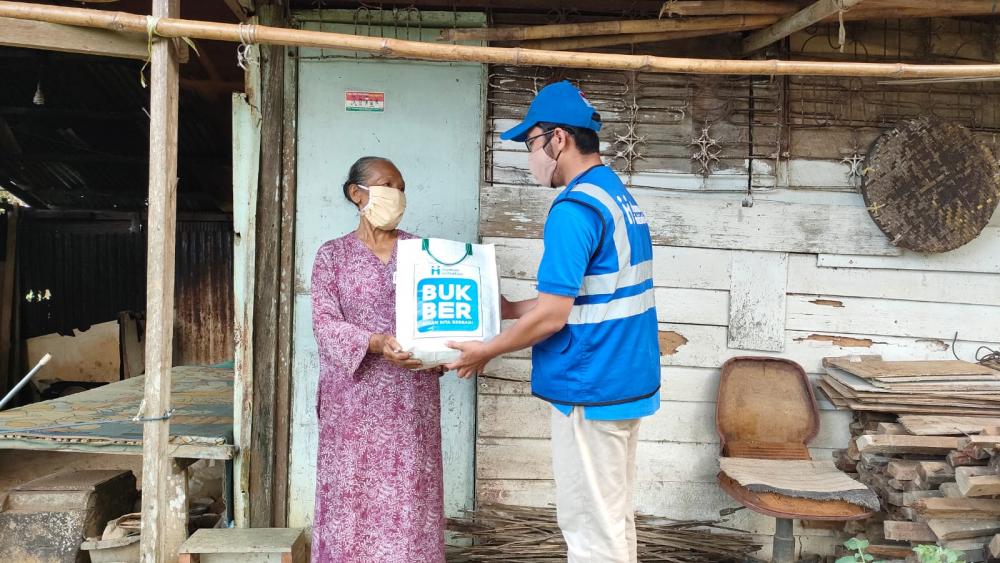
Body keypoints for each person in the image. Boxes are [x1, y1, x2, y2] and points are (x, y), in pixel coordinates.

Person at [447, 81, 660, 563]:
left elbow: (553, 317)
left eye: (530, 143)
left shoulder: (573, 209)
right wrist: (508, 310)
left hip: (590, 385)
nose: (530, 157)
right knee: (613, 520)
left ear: (558, 139)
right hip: (624, 379)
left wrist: (487, 349)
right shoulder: (615, 195)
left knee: (590, 531)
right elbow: (583, 296)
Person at [310, 156, 445, 563]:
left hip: (411, 400)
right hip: (353, 406)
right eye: (387, 184)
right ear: (357, 194)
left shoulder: (422, 252)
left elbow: (440, 317)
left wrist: (440, 351)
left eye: (401, 187)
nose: (397, 195)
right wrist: (374, 341)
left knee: (410, 494)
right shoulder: (331, 257)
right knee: (353, 497)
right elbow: (325, 322)